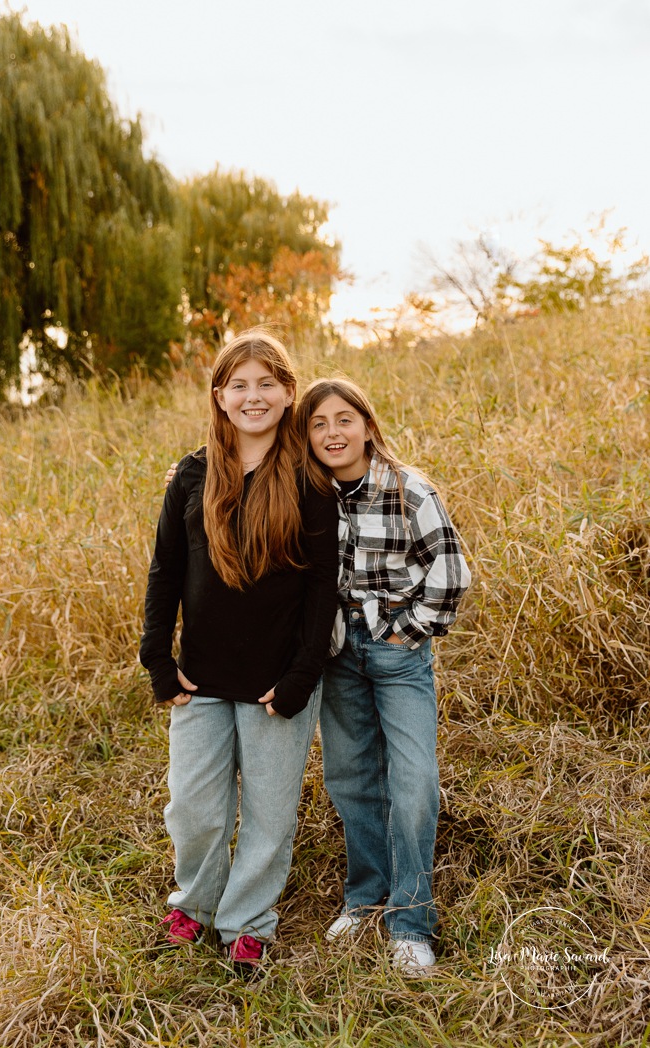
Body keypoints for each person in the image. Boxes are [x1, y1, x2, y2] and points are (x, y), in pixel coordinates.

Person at [140, 329, 338, 972]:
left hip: (277, 682)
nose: (253, 396)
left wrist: (303, 673)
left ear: (287, 395)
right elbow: (165, 571)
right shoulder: (192, 475)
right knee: (194, 807)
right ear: (220, 397)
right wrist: (158, 660)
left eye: (267, 384)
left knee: (270, 814)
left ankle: (248, 921)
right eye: (239, 385)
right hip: (199, 677)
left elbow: (320, 587)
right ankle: (193, 904)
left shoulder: (310, 482)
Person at [295, 377, 471, 976]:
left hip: (398, 656)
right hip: (337, 654)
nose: (332, 433)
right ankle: (365, 899)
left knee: (415, 781)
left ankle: (411, 921)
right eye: (318, 424)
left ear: (367, 426)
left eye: (344, 420)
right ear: (307, 437)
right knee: (350, 777)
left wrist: (408, 630)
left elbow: (451, 571)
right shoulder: (310, 494)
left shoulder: (407, 490)